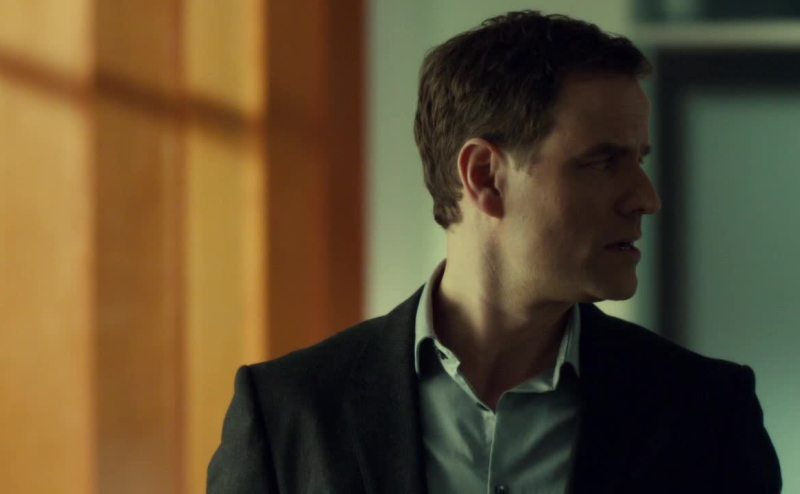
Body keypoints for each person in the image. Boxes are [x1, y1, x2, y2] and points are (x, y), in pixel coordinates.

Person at [208, 11, 782, 493]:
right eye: (603, 162)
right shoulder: (290, 413)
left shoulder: (707, 414)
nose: (646, 198)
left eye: (640, 160)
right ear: (484, 176)